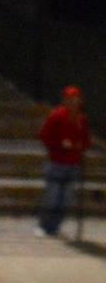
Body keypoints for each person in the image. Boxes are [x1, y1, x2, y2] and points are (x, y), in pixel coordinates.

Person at [39, 85, 89, 236]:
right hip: (57, 162)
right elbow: (44, 135)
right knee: (52, 197)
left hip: (72, 163)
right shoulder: (57, 116)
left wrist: (81, 145)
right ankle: (45, 226)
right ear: (65, 101)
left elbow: (86, 140)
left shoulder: (81, 119)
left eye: (76, 100)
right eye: (70, 100)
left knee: (66, 199)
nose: (74, 103)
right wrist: (60, 143)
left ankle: (55, 227)